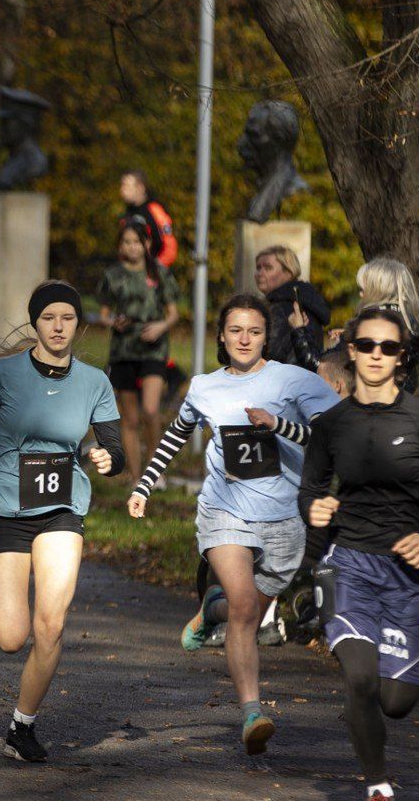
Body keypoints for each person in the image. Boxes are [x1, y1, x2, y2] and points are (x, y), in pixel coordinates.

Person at [126, 293, 340, 754]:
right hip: (225, 508)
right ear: (222, 336)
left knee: (244, 610)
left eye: (255, 331)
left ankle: (210, 611)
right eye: (236, 330)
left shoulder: (295, 381)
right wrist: (143, 486)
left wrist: (278, 426)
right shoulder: (204, 387)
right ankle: (252, 713)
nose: (245, 339)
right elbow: (173, 436)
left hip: (284, 515)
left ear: (268, 337)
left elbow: (329, 436)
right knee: (246, 607)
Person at [301, 307, 419, 801]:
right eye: (366, 345)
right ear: (351, 350)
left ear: (401, 357)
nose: (375, 355)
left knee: (394, 701)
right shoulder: (330, 424)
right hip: (347, 564)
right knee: (360, 678)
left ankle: (364, 710)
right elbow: (310, 486)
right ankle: (377, 791)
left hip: (408, 576)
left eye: (387, 348)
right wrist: (314, 507)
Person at [0, 282, 125, 763]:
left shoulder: (94, 381)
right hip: (5, 507)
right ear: (35, 323)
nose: (58, 326)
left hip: (63, 510)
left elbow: (117, 449)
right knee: (12, 637)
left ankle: (21, 727)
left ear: (78, 324)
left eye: (67, 317)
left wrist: (108, 459)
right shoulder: (4, 375)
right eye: (48, 317)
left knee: (51, 625)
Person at [96, 219, 180, 477]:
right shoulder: (113, 275)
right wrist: (113, 322)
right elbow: (103, 314)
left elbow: (174, 313)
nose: (132, 247)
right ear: (120, 245)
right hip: (123, 350)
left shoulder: (159, 273)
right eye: (126, 242)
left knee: (151, 409)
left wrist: (160, 327)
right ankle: (135, 477)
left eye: (136, 241)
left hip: (153, 348)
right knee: (130, 419)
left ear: (146, 243)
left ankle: (155, 470)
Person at [349, 257, 419, 394]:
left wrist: (300, 331)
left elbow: (334, 371)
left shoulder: (375, 324)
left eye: (363, 289)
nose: (360, 294)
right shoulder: (408, 323)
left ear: (377, 291)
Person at [254, 244, 329, 369]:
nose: (260, 273)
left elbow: (270, 353)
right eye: (258, 268)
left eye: (268, 268)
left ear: (288, 272)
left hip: (284, 380)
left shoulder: (285, 306)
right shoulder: (304, 299)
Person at [119, 170, 178, 269]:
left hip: (153, 273)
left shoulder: (155, 210)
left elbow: (169, 245)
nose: (122, 190)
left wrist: (158, 267)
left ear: (140, 188)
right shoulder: (127, 214)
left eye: (127, 186)